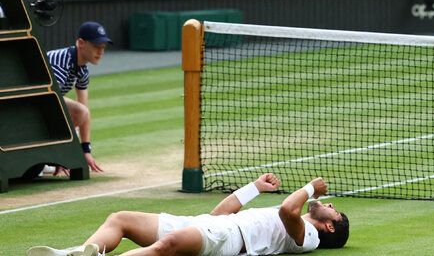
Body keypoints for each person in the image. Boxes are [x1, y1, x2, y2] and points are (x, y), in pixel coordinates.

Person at [28, 174, 349, 256]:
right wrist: (254, 188)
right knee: (120, 218)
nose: (330, 204)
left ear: (330, 228)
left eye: (335, 211)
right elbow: (218, 212)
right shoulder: (300, 224)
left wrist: (310, 188)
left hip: (228, 241)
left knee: (167, 245)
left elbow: (287, 208)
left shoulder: (309, 238)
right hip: (213, 225)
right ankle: (79, 252)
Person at [45, 21, 110, 175]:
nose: (100, 52)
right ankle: (45, 158)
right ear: (81, 43)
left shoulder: (82, 69)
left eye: (103, 47)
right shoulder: (61, 63)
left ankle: (49, 157)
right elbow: (49, 105)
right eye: (96, 46)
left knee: (80, 112)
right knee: (74, 111)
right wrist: (62, 154)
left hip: (42, 103)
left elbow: (84, 111)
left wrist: (85, 150)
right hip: (24, 103)